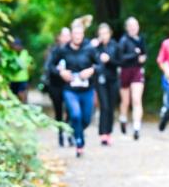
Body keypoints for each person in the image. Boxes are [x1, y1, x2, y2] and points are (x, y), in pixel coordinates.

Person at [47, 22, 101, 158]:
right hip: (70, 90)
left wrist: (91, 70)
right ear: (71, 35)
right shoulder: (63, 50)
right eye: (75, 34)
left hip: (87, 90)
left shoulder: (89, 49)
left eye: (80, 34)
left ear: (83, 35)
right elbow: (50, 66)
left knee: (86, 119)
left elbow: (100, 65)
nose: (78, 36)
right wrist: (61, 73)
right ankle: (79, 142)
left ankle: (76, 132)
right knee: (76, 115)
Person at [117, 17, 147, 140]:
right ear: (127, 28)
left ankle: (136, 127)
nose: (133, 28)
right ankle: (123, 118)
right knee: (125, 101)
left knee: (136, 99)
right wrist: (134, 55)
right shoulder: (123, 40)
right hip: (125, 71)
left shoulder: (141, 39)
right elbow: (120, 58)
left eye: (135, 25)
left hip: (137, 71)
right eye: (131, 26)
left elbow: (144, 54)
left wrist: (143, 58)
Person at [93, 22, 120, 146]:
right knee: (104, 106)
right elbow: (89, 60)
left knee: (111, 107)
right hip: (100, 79)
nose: (103, 36)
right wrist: (93, 46)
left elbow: (120, 62)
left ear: (110, 34)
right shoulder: (95, 47)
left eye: (105, 33)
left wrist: (109, 60)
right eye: (101, 33)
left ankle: (109, 132)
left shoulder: (115, 46)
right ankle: (103, 133)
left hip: (113, 79)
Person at [43, 28, 71, 146]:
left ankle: (70, 134)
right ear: (59, 37)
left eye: (68, 35)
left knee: (71, 110)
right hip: (55, 85)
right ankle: (60, 135)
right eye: (64, 35)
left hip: (69, 85)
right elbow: (48, 67)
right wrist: (59, 72)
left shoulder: (73, 50)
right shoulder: (54, 51)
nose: (66, 38)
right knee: (58, 111)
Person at [5, 38, 33, 104]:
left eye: (17, 45)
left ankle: (23, 106)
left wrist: (29, 80)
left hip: (23, 79)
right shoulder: (10, 53)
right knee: (12, 96)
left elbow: (29, 66)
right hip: (12, 79)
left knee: (21, 94)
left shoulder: (25, 53)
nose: (16, 47)